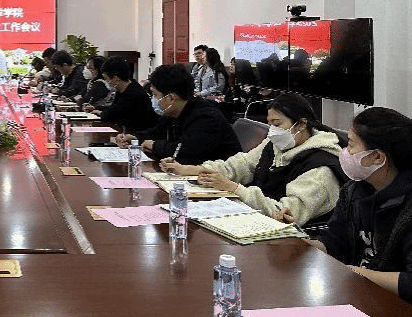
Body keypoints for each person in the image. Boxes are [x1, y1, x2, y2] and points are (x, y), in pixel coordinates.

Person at [160, 93, 345, 226]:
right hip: (256, 219)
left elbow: (285, 213)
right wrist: (189, 169)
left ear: (301, 124)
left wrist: (235, 188)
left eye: (277, 124)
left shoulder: (321, 168)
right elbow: (241, 165)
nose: (272, 131)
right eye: (269, 124)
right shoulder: (277, 144)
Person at [312, 107, 412, 303]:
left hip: (394, 308)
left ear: (377, 157)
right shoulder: (353, 191)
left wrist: (353, 273)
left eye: (350, 145)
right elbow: (334, 243)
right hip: (357, 295)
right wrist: (298, 242)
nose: (345, 152)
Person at [119, 63, 241, 165]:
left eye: (155, 95)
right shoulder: (175, 113)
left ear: (171, 98)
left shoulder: (206, 117)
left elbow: (184, 150)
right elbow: (156, 132)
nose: (154, 100)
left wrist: (154, 146)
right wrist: (135, 138)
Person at [87, 57, 158, 132]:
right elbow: (114, 108)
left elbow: (112, 114)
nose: (107, 82)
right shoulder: (124, 88)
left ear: (116, 79)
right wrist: (96, 108)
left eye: (107, 79)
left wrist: (99, 112)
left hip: (138, 133)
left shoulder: (133, 93)